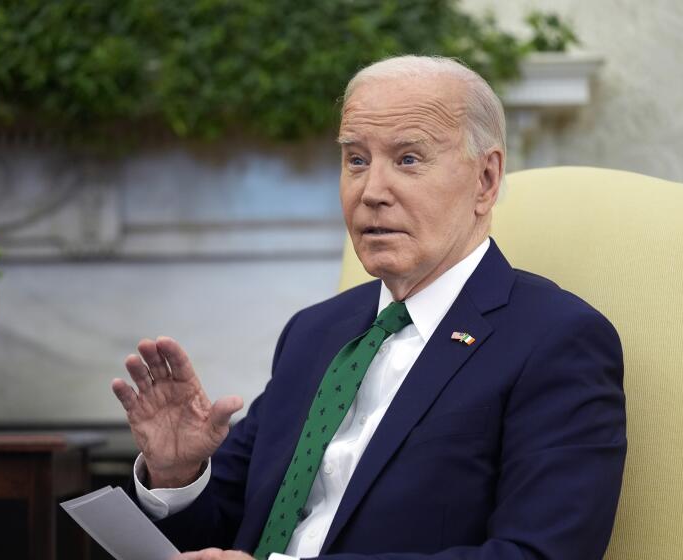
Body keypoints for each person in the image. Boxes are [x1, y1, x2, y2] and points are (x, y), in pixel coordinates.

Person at [112, 55, 627, 560]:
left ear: (485, 180)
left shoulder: (556, 340)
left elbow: (540, 553)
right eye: (356, 160)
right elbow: (225, 529)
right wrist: (177, 475)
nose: (371, 192)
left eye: (408, 159)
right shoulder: (314, 332)